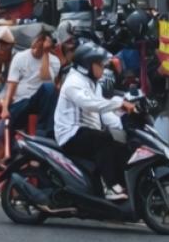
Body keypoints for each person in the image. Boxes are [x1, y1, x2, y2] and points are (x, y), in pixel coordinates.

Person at [54, 41, 133, 197]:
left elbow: (103, 112)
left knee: (121, 143)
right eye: (99, 64)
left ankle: (123, 186)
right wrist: (119, 103)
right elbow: (91, 105)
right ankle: (109, 187)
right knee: (104, 140)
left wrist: (123, 124)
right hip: (70, 134)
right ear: (87, 65)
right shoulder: (73, 83)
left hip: (86, 131)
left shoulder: (92, 82)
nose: (103, 68)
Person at [0, 31, 60, 138]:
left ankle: (43, 133)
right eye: (38, 39)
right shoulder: (20, 57)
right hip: (22, 101)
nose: (37, 43)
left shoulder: (54, 61)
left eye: (42, 41)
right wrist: (5, 108)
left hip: (39, 100)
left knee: (49, 87)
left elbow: (45, 78)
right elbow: (11, 85)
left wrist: (45, 53)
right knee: (0, 133)